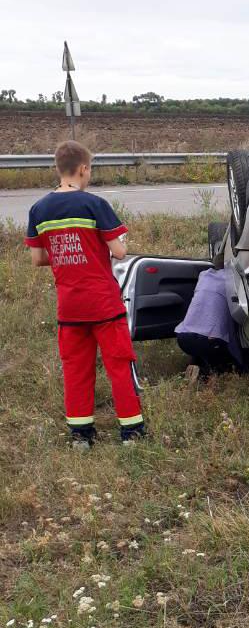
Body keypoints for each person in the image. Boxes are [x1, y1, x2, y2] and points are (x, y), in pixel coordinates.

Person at [25, 140, 146, 448]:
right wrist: (107, 245)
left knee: (76, 371)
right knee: (119, 365)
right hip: (104, 305)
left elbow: (38, 258)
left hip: (70, 308)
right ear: (82, 169)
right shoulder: (94, 204)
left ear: (58, 168)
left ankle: (81, 436)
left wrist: (67, 252)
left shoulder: (39, 209)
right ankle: (131, 432)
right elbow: (119, 252)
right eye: (88, 170)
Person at [175, 268, 245, 375]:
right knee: (218, 351)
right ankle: (206, 373)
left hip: (183, 338)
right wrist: (241, 364)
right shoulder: (233, 283)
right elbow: (231, 333)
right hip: (207, 341)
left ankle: (195, 366)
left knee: (200, 335)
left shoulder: (205, 277)